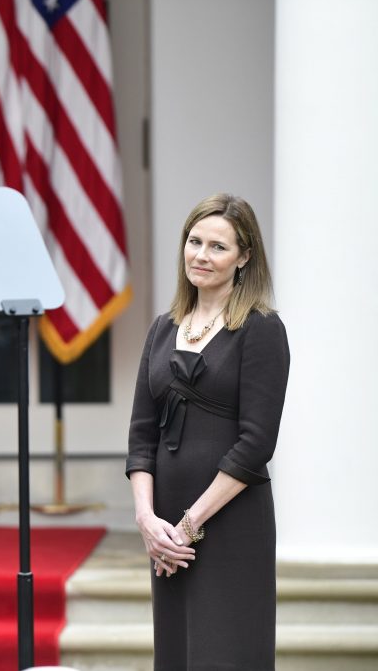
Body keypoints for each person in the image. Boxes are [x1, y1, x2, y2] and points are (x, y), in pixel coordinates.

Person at [125, 194, 290, 670]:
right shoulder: (162, 328)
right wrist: (147, 520)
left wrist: (189, 526)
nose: (201, 255)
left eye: (218, 246)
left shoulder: (261, 329)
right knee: (177, 653)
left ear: (244, 257)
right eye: (194, 241)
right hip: (166, 529)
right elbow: (141, 436)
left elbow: (255, 444)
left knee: (225, 653)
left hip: (229, 521)